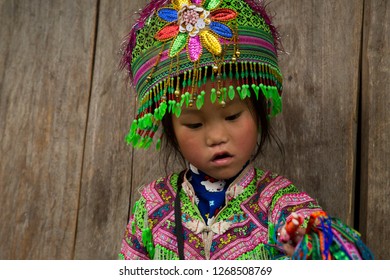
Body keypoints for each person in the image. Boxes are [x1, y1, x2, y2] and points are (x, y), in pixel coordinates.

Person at [118, 0, 373, 260]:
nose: (217, 137)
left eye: (232, 116)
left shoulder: (280, 206)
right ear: (170, 129)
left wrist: (309, 248)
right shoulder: (151, 209)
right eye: (194, 124)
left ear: (258, 112)